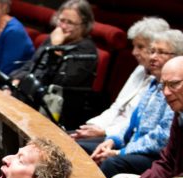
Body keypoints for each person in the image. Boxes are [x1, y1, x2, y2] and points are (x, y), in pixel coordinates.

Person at [90, 30, 183, 178]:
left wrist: (121, 152)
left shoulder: (177, 90)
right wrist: (113, 140)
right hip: (133, 146)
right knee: (81, 146)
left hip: (155, 156)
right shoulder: (153, 83)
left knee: (111, 163)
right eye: (151, 51)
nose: (152, 57)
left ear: (179, 58)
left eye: (161, 52)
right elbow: (132, 121)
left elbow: (161, 138)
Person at [71, 17, 170, 152]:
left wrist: (104, 131)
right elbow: (117, 106)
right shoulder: (140, 68)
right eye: (134, 46)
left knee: (74, 148)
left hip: (125, 138)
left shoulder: (162, 81)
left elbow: (138, 123)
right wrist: (94, 125)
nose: (134, 52)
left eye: (140, 47)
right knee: (63, 137)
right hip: (108, 129)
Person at [8, 0, 97, 93]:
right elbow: (32, 64)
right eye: (61, 20)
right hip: (29, 90)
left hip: (55, 101)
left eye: (70, 23)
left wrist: (56, 47)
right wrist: (15, 80)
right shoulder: (54, 37)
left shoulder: (86, 50)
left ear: (84, 25)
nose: (63, 26)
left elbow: (58, 82)